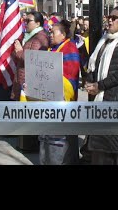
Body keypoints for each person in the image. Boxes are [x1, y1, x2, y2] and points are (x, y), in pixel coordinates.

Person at [84, 0, 118, 165]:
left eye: (114, 18)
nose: (109, 20)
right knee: (99, 148)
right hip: (101, 99)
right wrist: (90, 80)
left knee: (116, 150)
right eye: (109, 16)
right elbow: (95, 64)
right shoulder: (105, 40)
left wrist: (100, 85)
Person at [39, 20, 81, 165]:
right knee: (47, 138)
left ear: (63, 34)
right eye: (50, 32)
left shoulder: (70, 49)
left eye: (53, 32)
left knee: (59, 140)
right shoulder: (53, 49)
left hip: (63, 103)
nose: (50, 35)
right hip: (48, 102)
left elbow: (71, 78)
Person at [12, 11, 50, 101]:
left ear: (37, 23)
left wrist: (19, 51)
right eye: (25, 20)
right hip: (22, 78)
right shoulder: (30, 37)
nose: (25, 23)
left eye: (28, 21)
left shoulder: (40, 38)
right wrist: (16, 50)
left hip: (29, 82)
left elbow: (33, 60)